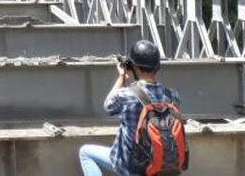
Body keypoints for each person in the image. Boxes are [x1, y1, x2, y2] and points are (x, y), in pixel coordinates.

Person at [78, 40, 186, 176]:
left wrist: (122, 77)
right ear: (157, 66)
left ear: (134, 66)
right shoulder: (173, 96)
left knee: (85, 152)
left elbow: (108, 106)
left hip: (131, 168)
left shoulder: (126, 95)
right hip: (161, 166)